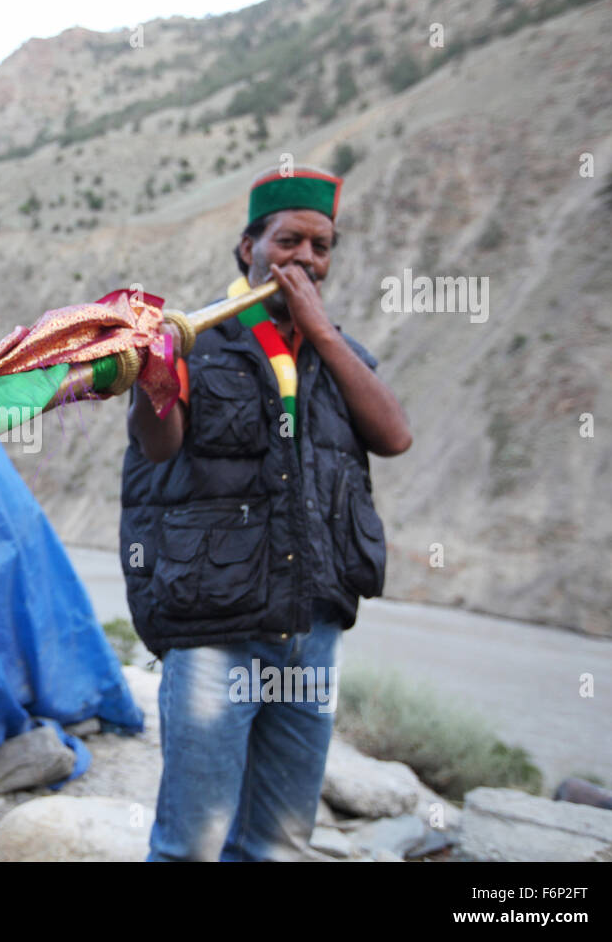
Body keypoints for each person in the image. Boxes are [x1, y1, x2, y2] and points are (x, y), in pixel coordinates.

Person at [120, 165, 412, 861]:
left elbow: (395, 436)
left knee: (279, 843)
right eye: (289, 241)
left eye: (322, 246)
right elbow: (156, 447)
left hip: (310, 633)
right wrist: (154, 373)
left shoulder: (341, 358)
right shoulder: (196, 340)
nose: (306, 258)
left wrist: (321, 330)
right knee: (190, 842)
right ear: (247, 248)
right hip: (215, 629)